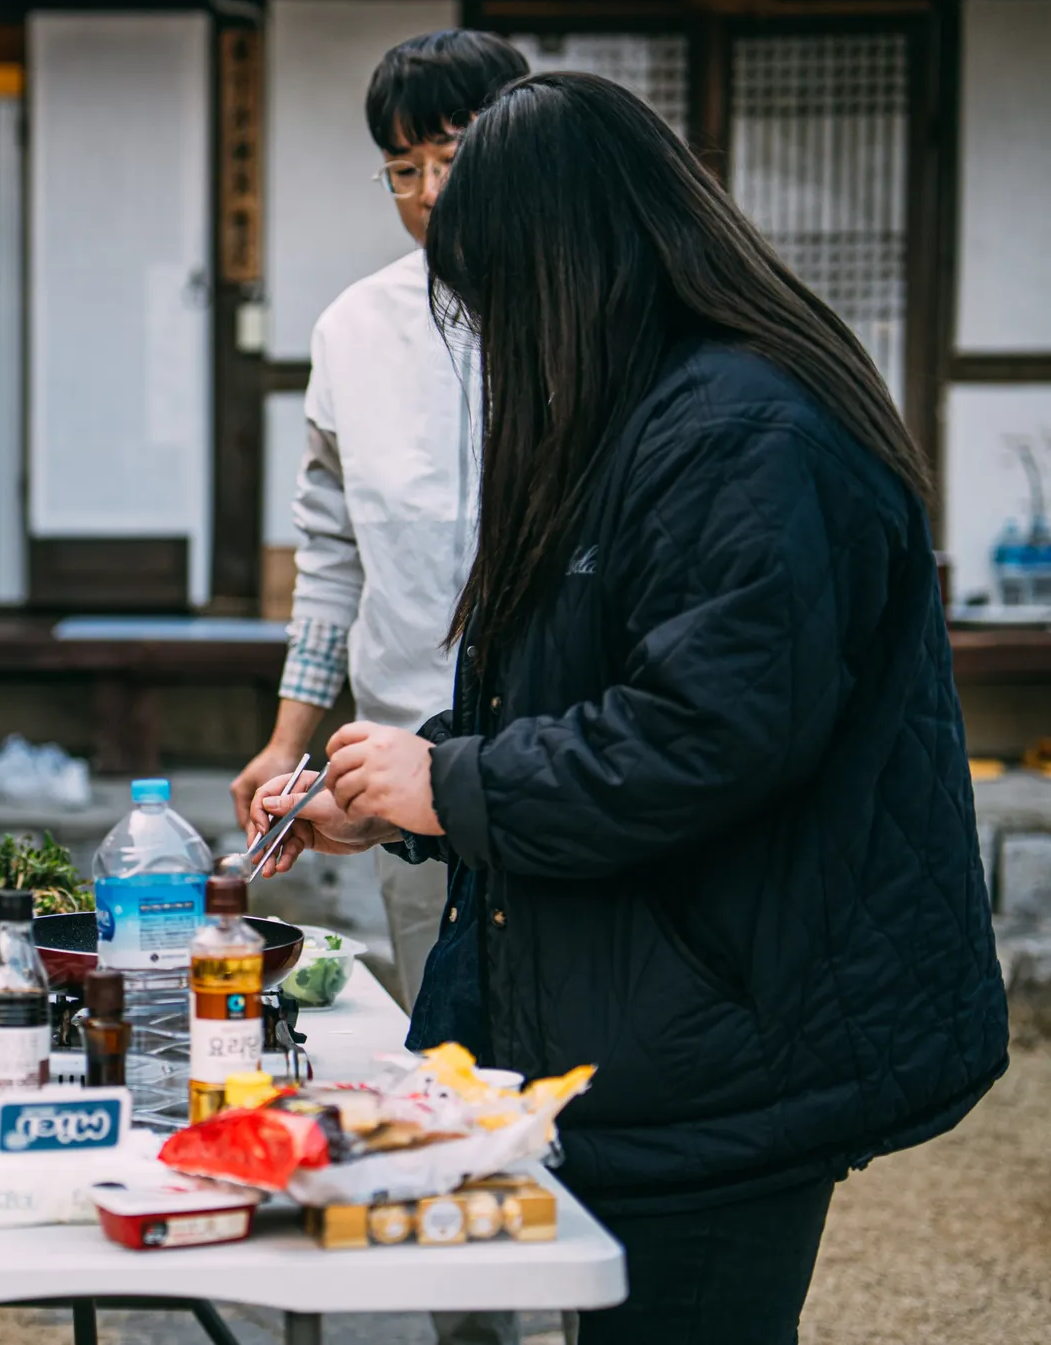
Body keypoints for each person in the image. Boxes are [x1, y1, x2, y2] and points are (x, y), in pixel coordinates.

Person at [254, 74, 1009, 1343]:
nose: (495, 334)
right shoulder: (647, 413)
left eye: (499, 295)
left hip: (726, 1025)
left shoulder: (743, 431)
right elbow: (585, 694)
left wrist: (447, 784)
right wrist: (400, 798)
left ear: (570, 264)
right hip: (657, 1013)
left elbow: (702, 734)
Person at [232, 31, 528, 1017]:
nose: (430, 192)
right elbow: (332, 551)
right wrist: (289, 739)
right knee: (441, 1032)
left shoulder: (582, 313)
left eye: (453, 157)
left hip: (554, 757)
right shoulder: (352, 330)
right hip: (403, 767)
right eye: (404, 168)